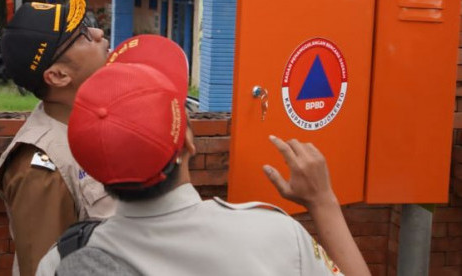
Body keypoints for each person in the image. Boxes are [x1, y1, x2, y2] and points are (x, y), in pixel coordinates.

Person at [37, 35, 371, 276]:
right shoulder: (273, 237)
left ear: (91, 167)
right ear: (186, 143)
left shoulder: (62, 262)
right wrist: (322, 201)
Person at [0, 0, 116, 276]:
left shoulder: (98, 123)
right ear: (58, 75)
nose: (100, 34)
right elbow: (45, 269)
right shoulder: (40, 165)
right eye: (83, 35)